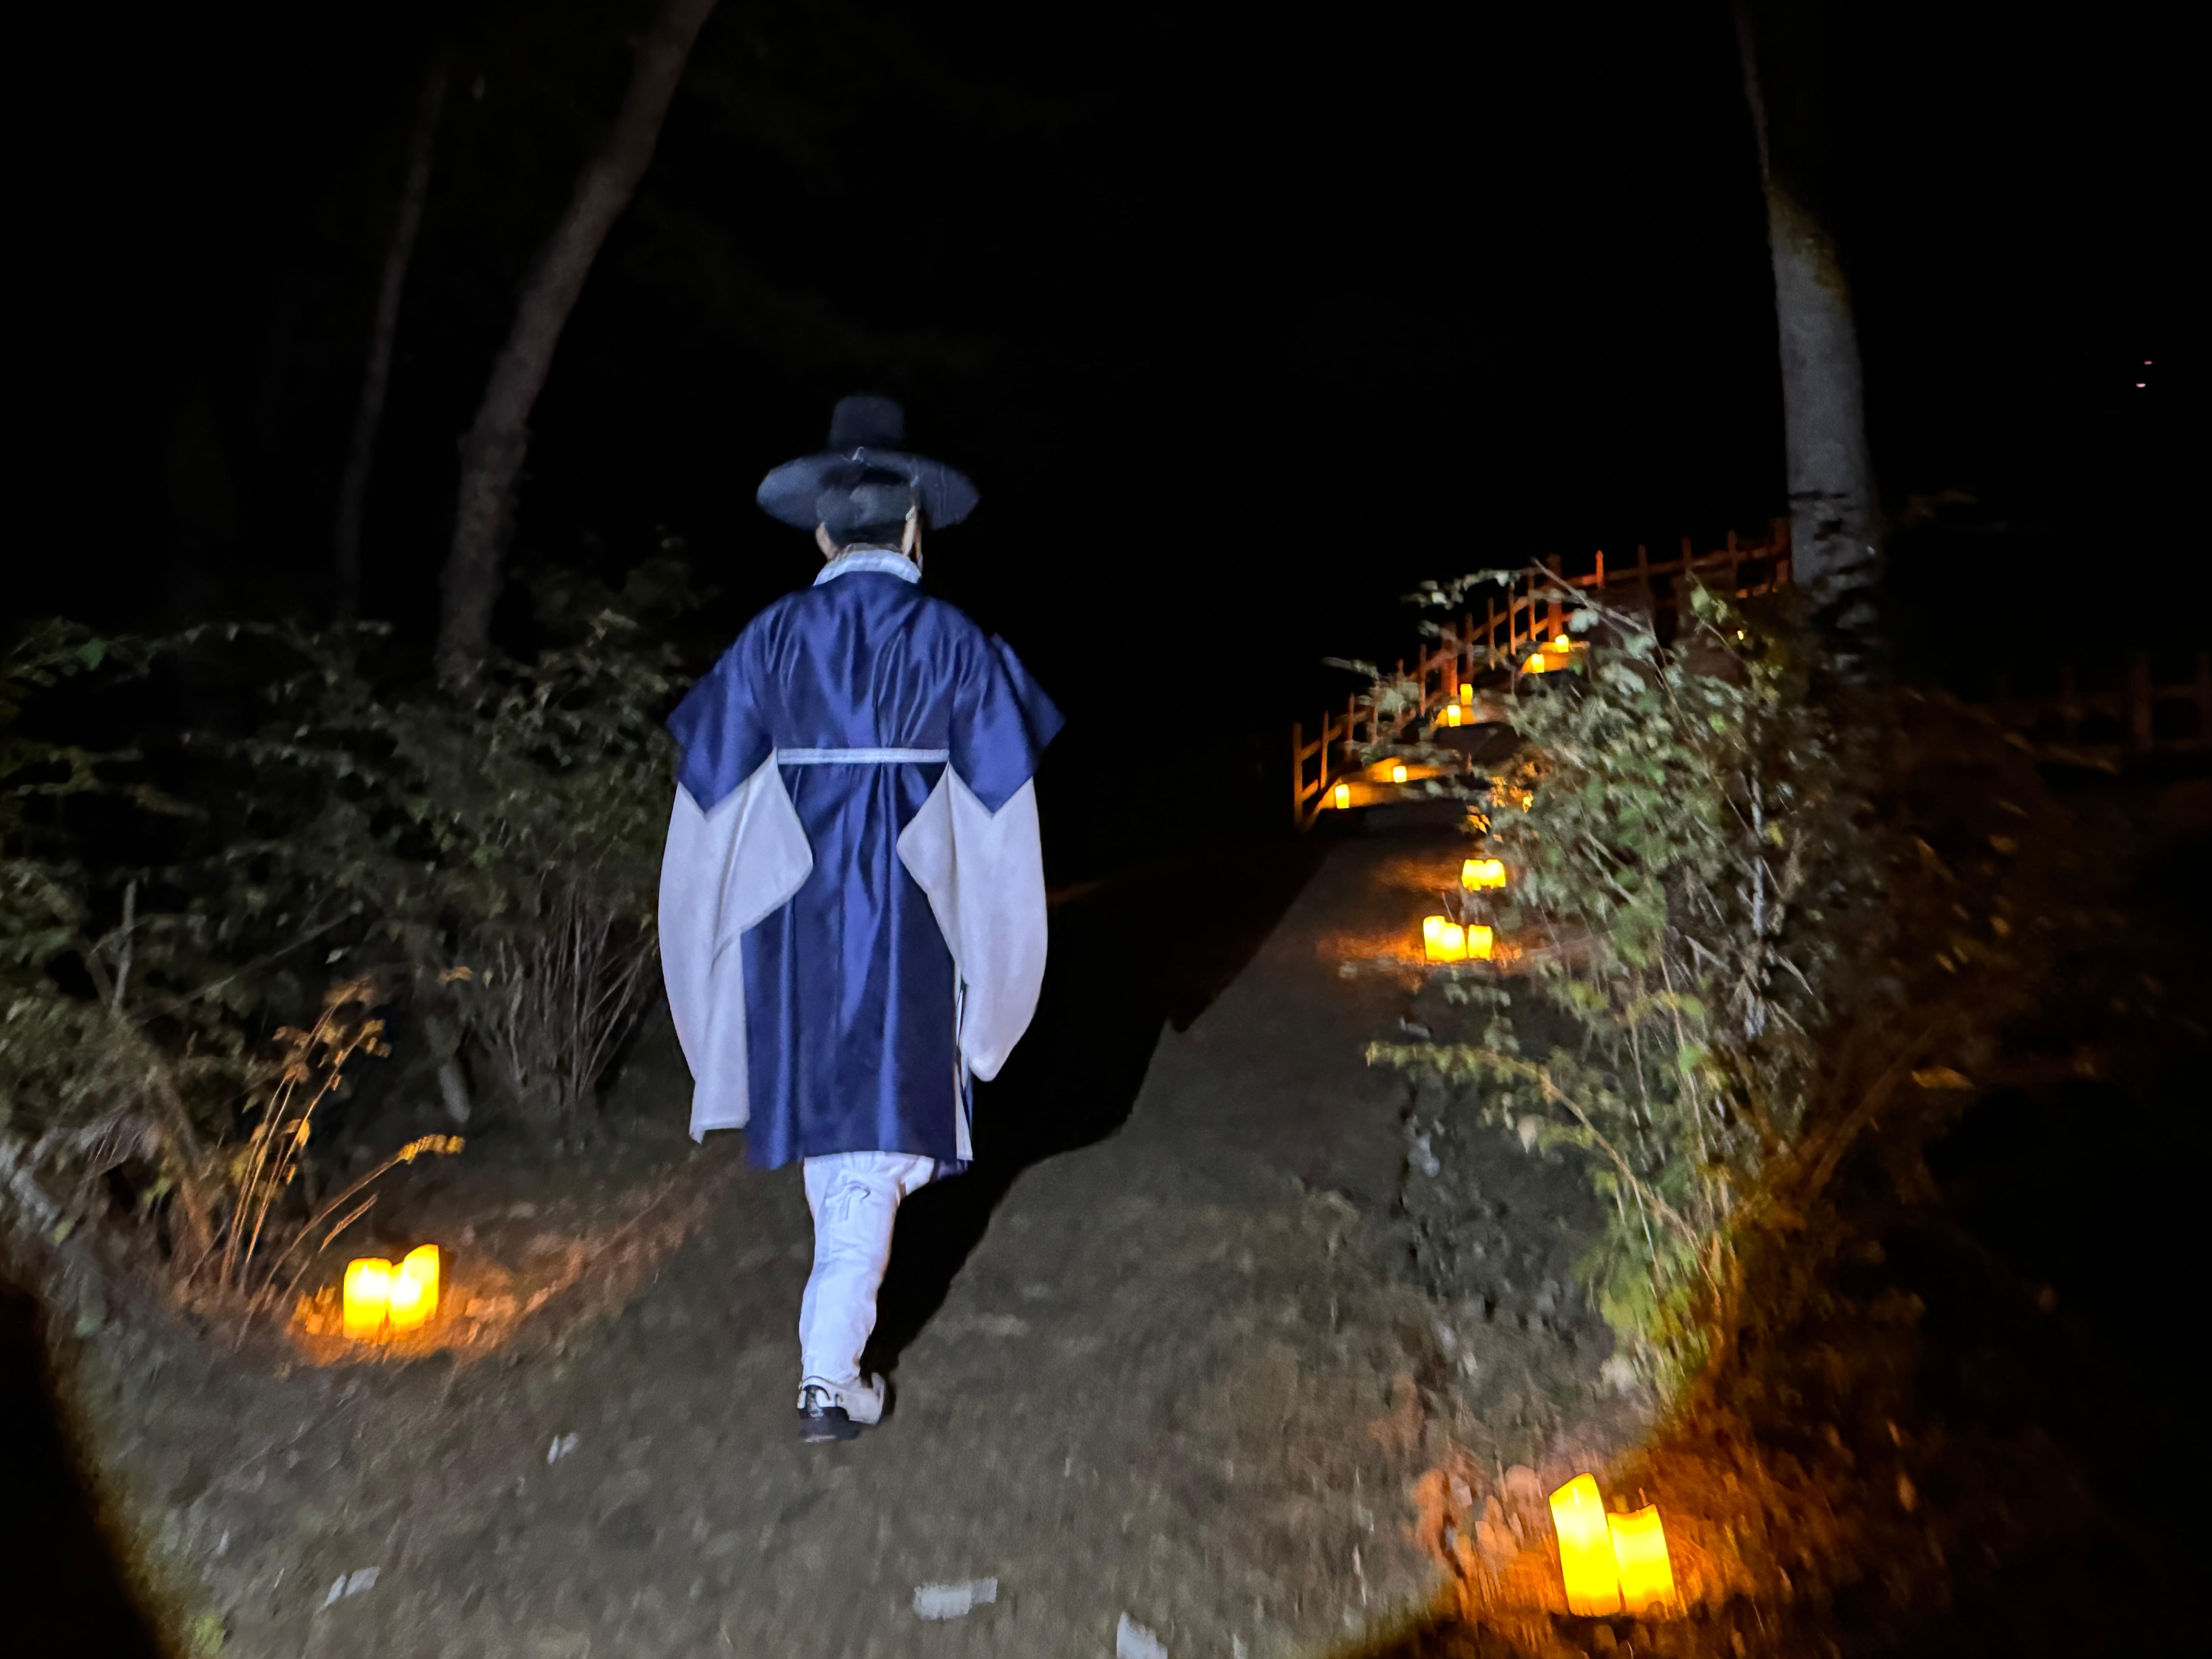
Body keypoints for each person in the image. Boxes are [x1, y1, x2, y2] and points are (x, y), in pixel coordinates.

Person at [658, 395, 1061, 1442]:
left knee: (846, 1148)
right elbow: (1003, 829)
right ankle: (827, 1377)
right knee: (872, 1147)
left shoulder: (768, 642)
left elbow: (703, 820)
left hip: (794, 937)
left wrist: (701, 965)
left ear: (824, 534)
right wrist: (1000, 986)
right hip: (906, 931)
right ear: (916, 527)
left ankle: (832, 1361)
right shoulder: (958, 646)